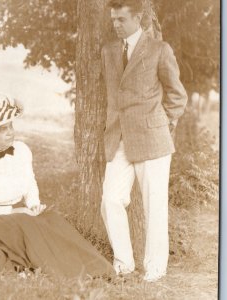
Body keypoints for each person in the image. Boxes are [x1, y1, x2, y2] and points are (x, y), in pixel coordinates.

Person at [0, 94, 114, 279]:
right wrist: (14, 212)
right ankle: (67, 273)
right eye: (3, 129)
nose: (10, 132)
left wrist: (33, 203)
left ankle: (96, 268)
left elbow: (29, 182)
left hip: (20, 211)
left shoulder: (22, 150)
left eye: (11, 126)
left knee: (53, 219)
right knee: (27, 226)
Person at [100, 0, 188, 282]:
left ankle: (155, 268)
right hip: (119, 137)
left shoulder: (159, 50)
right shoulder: (109, 50)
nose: (115, 24)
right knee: (110, 199)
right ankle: (124, 263)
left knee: (155, 205)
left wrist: (164, 123)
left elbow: (177, 95)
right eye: (113, 19)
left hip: (152, 139)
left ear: (138, 18)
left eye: (121, 19)